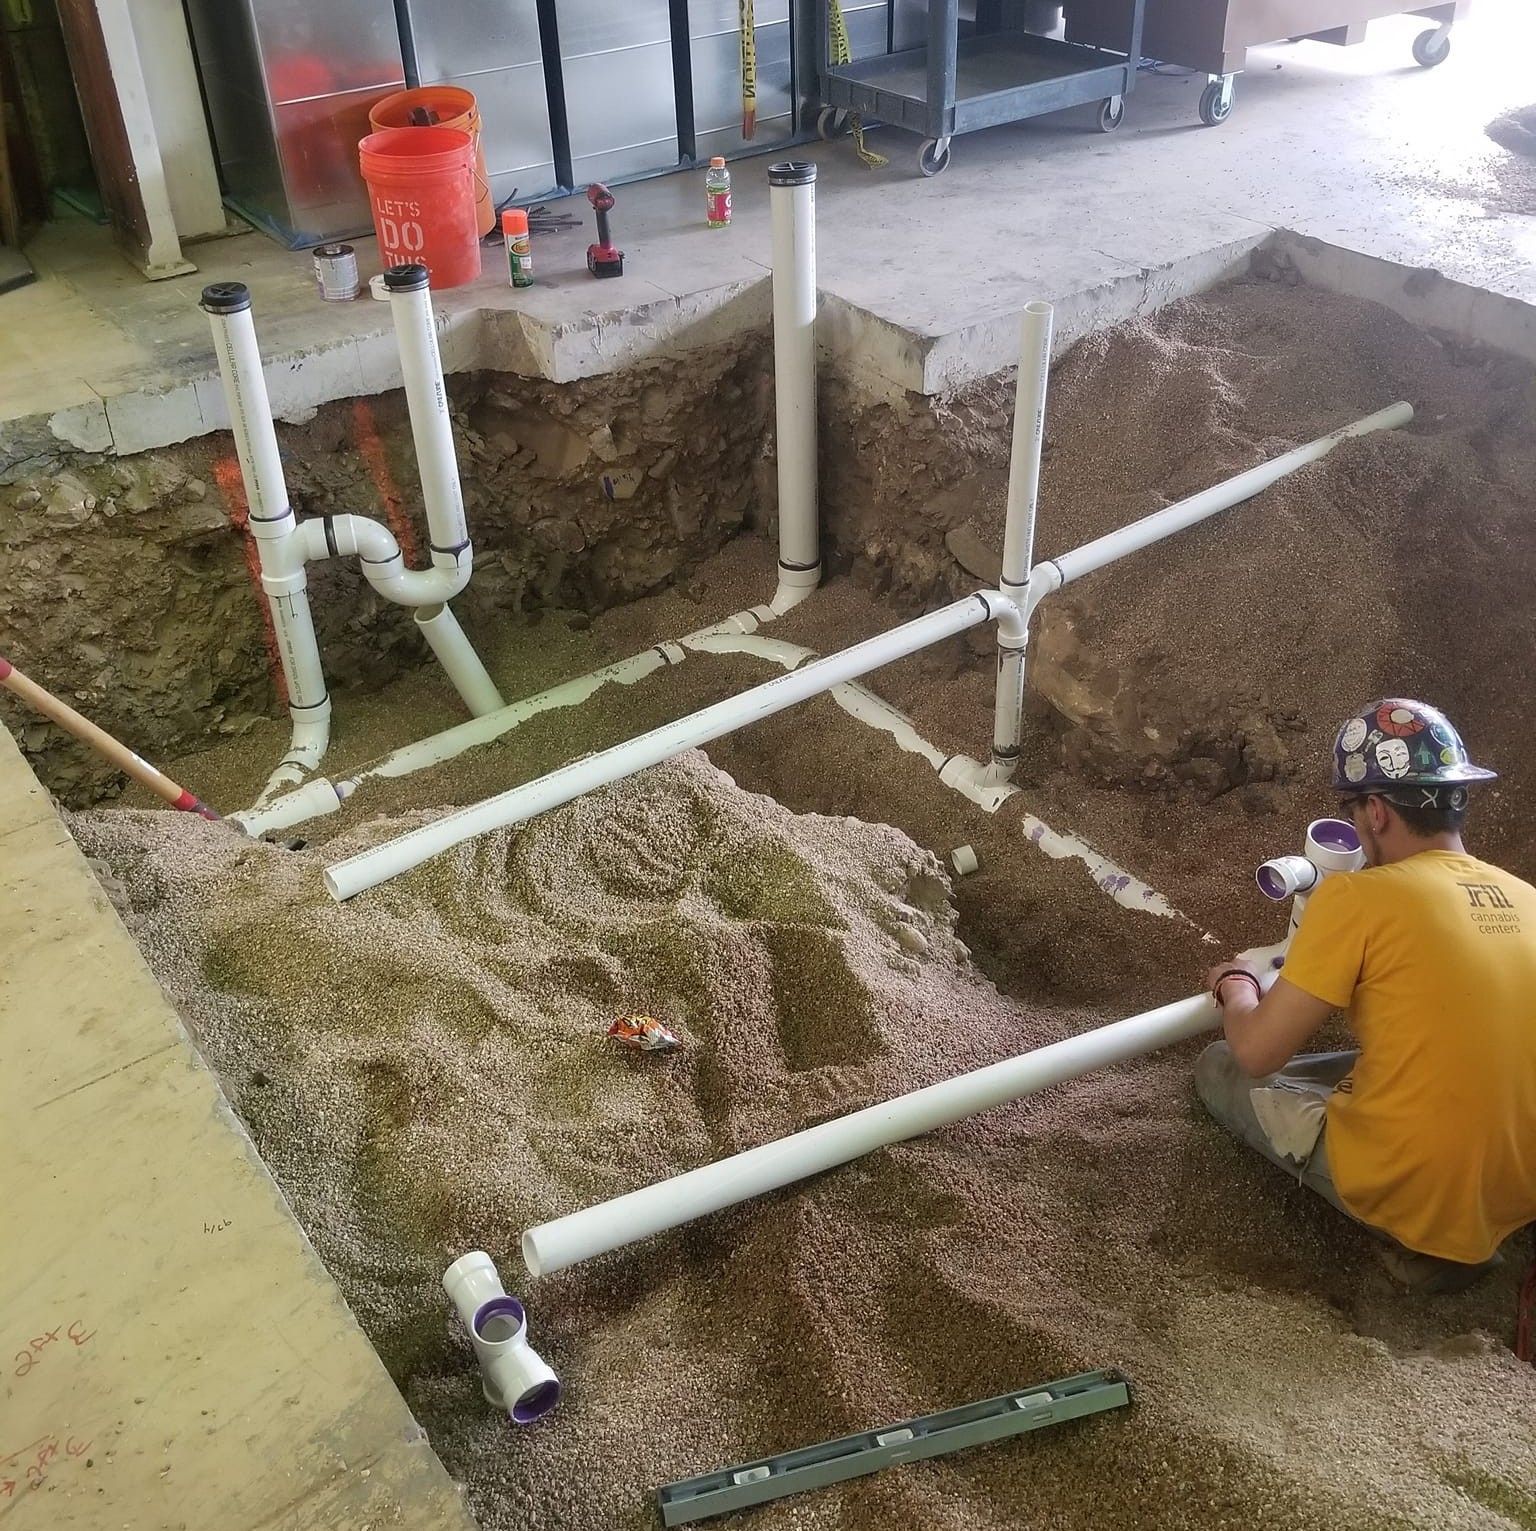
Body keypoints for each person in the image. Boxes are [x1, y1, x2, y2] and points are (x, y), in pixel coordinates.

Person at [1196, 698, 1536, 1292]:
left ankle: (1425, 1246)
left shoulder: (1358, 898)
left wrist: (1237, 986)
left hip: (1427, 1192)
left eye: (1354, 812)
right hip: (1520, 1181)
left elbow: (1257, 1052)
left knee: (1220, 1067)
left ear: (1375, 811)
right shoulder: (1526, 897)